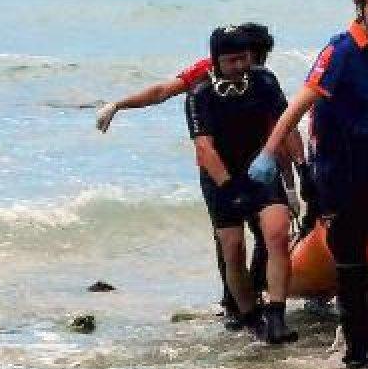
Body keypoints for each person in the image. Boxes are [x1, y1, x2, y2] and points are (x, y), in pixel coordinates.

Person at [249, 0, 368, 369]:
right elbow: (302, 100)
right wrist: (271, 151)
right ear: (360, 8)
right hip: (342, 178)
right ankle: (356, 354)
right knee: (351, 267)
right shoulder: (340, 51)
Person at [96, 23, 278, 330]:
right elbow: (162, 91)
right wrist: (119, 105)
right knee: (229, 242)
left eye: (254, 59)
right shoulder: (205, 74)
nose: (248, 67)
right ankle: (234, 304)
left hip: (254, 164)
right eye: (241, 59)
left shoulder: (258, 78)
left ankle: (255, 295)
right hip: (217, 168)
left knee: (267, 234)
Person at [187, 26, 300, 344]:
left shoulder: (264, 80)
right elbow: (204, 149)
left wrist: (300, 173)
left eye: (244, 59)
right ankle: (251, 317)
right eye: (231, 61)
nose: (239, 67)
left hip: (260, 171)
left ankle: (277, 314)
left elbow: (286, 124)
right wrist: (228, 188)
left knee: (277, 233)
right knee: (233, 250)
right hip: (220, 178)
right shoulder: (200, 93)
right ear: (216, 61)